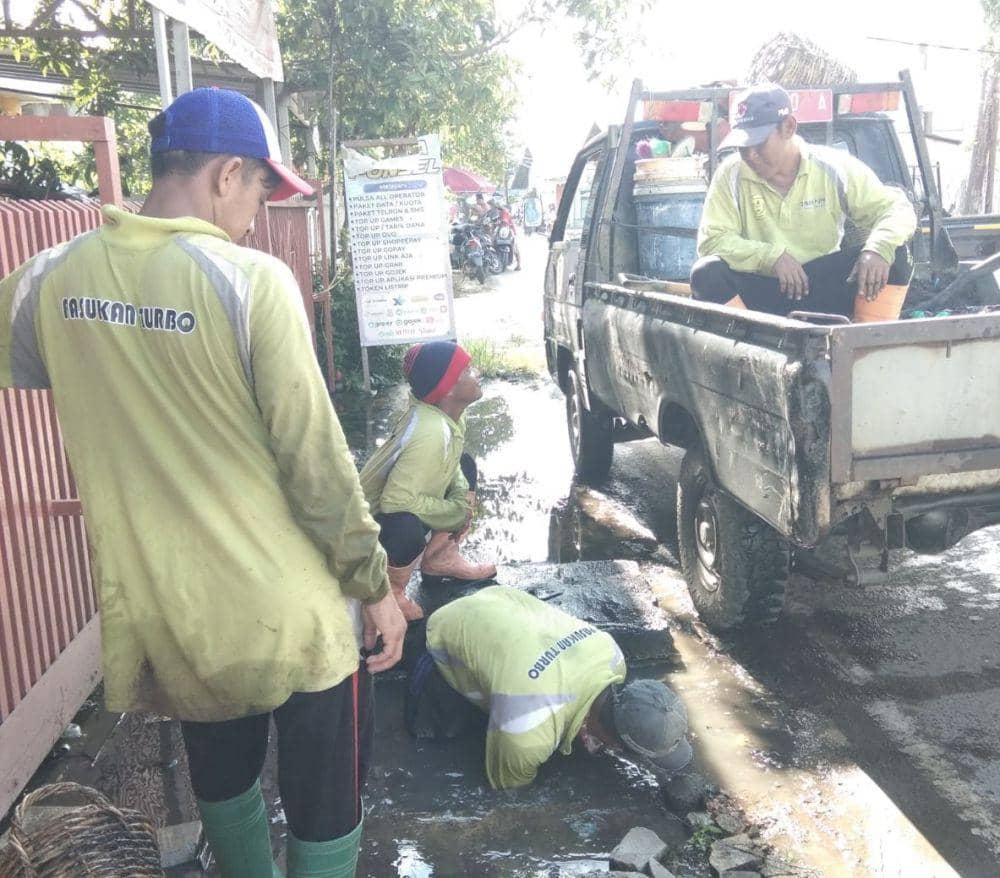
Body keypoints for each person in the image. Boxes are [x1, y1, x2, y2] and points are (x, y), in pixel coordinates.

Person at [0, 87, 406, 878]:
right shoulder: (249, 282)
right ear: (226, 175)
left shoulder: (48, 281)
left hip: (176, 615)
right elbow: (317, 464)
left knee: (222, 776)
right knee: (328, 795)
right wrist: (374, 583)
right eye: (259, 188)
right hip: (295, 616)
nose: (257, 213)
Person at [405, 586, 692, 789]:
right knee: (445, 732)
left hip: (498, 598)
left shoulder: (613, 656)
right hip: (444, 631)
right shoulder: (527, 732)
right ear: (613, 742)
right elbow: (508, 789)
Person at [690, 83, 917, 321]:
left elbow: (897, 209)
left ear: (788, 127)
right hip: (762, 292)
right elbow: (711, 241)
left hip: (821, 287)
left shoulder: (833, 167)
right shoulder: (730, 174)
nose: (750, 155)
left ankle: (866, 342)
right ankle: (748, 345)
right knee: (706, 274)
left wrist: (877, 248)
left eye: (758, 144)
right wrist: (771, 258)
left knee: (896, 254)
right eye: (743, 147)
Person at [359, 341, 497, 621]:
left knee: (465, 463)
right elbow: (395, 501)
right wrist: (455, 513)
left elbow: (454, 464)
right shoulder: (430, 429)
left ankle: (440, 558)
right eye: (467, 369)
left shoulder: (447, 416)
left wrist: (459, 500)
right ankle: (390, 592)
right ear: (447, 387)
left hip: (395, 508)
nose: (477, 372)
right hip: (365, 531)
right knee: (405, 523)